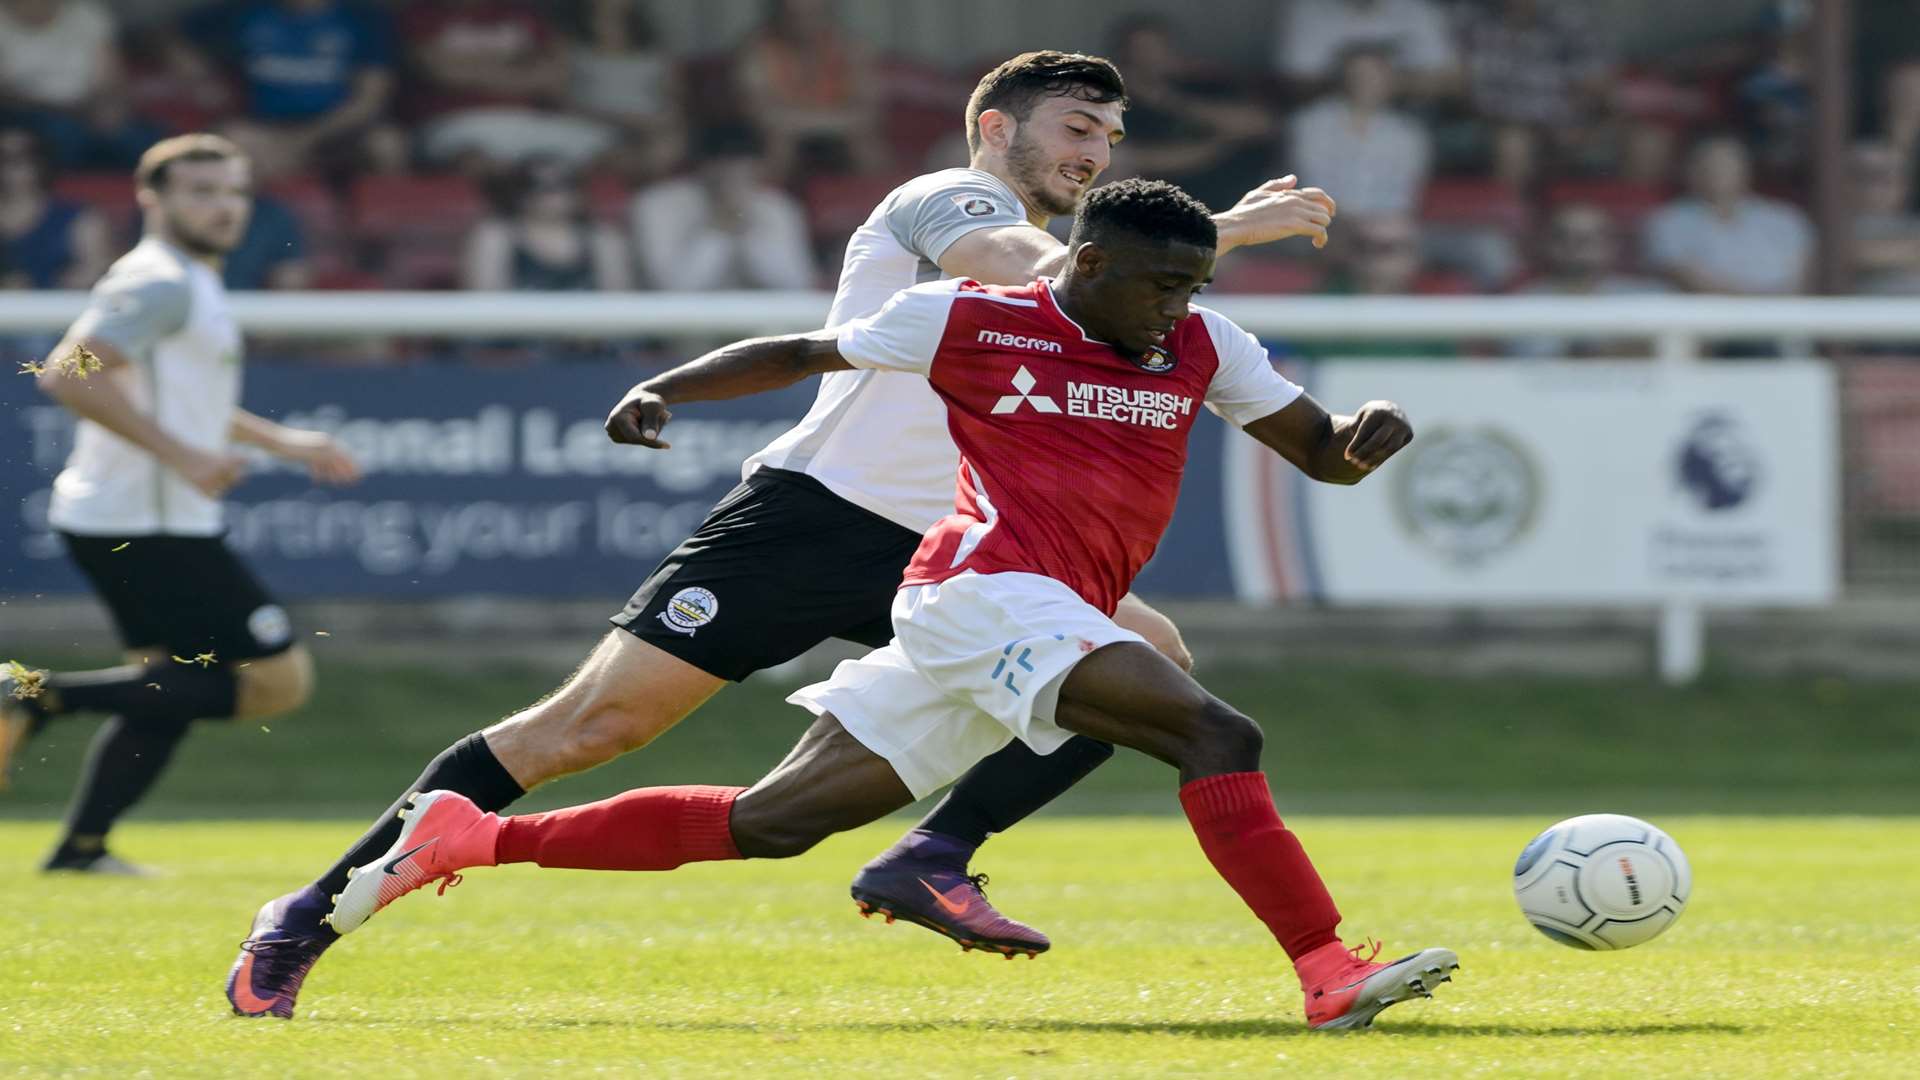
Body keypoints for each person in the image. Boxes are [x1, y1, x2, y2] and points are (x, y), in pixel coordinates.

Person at [225, 50, 1336, 1019]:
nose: (1094, 151)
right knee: (589, 727)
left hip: (963, 550)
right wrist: (1214, 231)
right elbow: (1028, 267)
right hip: (817, 517)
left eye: (1111, 137)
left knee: (1156, 667)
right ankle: (307, 915)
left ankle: (934, 854)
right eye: (1076, 128)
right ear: (998, 128)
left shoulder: (1098, 281)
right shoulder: (946, 196)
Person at [0, 134, 360, 871]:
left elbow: (182, 399)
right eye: (201, 191)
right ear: (150, 199)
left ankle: (82, 849)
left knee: (169, 685)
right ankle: (33, 695)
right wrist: (186, 457)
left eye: (232, 191)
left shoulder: (186, 282)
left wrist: (284, 442)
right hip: (148, 522)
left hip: (126, 517)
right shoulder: (159, 281)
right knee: (276, 682)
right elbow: (68, 374)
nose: (223, 206)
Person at [629, 125, 814, 291]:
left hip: (767, 321)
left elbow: (796, 283)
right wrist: (720, 222)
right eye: (723, 165)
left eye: (743, 166)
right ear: (701, 165)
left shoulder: (777, 206)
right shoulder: (659, 204)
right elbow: (674, 288)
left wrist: (746, 224)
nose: (732, 175)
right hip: (681, 324)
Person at [1642, 134, 1813, 296]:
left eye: (1727, 163)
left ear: (1746, 169)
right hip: (1701, 321)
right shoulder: (1668, 221)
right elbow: (1687, 279)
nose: (1717, 172)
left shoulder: (1785, 218)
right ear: (1690, 171)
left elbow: (1801, 280)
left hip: (1783, 318)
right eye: (1709, 164)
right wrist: (1756, 305)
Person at [735, 0, 885, 182]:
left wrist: (811, 123)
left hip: (838, 136)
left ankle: (883, 206)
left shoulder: (852, 48)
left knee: (865, 145)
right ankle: (770, 204)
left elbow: (868, 114)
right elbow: (760, 115)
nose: (805, 24)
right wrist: (829, 121)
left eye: (813, 15)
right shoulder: (755, 50)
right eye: (795, 17)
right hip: (782, 137)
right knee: (779, 142)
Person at [1507, 203, 1670, 359]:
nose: (1574, 246)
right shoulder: (1522, 303)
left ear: (1612, 244)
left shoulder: (1651, 296)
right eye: (1563, 237)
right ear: (1546, 244)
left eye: (1588, 238)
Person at [1288, 45, 1431, 218]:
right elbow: (1310, 182)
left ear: (1390, 80)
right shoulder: (1310, 123)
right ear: (1343, 78)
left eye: (1375, 75)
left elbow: (1404, 194)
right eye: (1358, 75)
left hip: (1384, 226)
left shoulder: (1408, 133)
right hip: (1318, 221)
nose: (1366, 82)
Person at [463, 156, 632, 292]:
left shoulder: (603, 237)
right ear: (518, 194)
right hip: (512, 330)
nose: (555, 194)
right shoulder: (495, 235)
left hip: (593, 331)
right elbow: (485, 303)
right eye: (540, 186)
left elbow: (619, 301)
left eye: (566, 184)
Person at [0, 127, 112, 290]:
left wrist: (40, 288)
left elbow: (96, 268)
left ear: (42, 161)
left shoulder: (80, 218)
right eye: (3, 157)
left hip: (57, 311)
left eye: (25, 156)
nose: (13, 166)